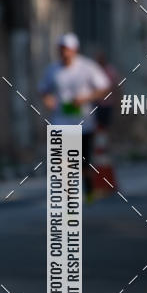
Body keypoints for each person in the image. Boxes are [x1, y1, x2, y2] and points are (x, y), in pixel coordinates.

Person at [39, 33, 111, 198]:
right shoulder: (53, 69)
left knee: (83, 163)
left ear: (74, 50)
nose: (65, 53)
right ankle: (68, 196)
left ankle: (89, 189)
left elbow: (104, 87)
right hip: (60, 121)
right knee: (62, 161)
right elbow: (43, 89)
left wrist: (85, 98)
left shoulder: (87, 67)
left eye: (68, 50)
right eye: (62, 50)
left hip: (83, 122)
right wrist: (47, 99)